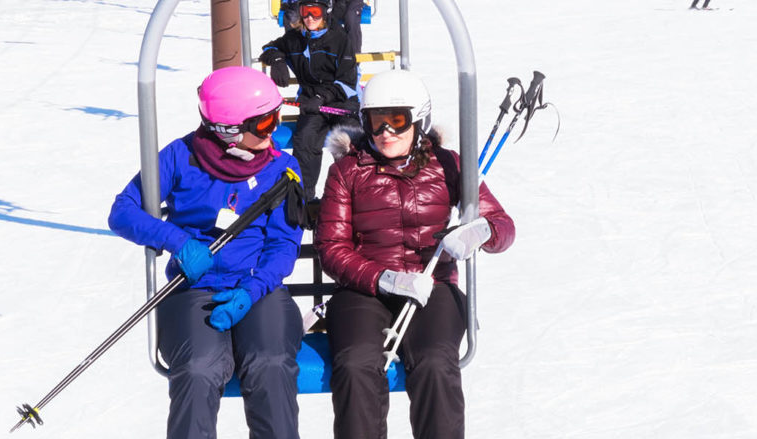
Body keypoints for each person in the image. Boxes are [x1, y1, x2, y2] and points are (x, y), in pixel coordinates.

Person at [315, 69, 516, 439]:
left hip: (432, 287)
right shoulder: (348, 171)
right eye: (376, 122)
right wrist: (384, 278)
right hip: (365, 290)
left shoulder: (448, 165)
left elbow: (503, 225)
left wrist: (481, 232)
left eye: (397, 120)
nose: (386, 132)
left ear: (418, 120)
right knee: (356, 364)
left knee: (435, 364)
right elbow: (331, 248)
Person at [107, 66, 305, 439]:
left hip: (258, 289)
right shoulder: (180, 157)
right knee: (199, 368)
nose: (275, 131)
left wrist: (255, 288)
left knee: (270, 363)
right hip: (194, 288)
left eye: (276, 118)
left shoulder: (282, 168)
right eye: (264, 124)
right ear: (228, 129)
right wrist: (177, 241)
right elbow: (123, 212)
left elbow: (283, 243)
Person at [260, 0, 360, 201]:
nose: (310, 18)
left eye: (315, 12)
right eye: (305, 12)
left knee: (351, 143)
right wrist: (278, 60)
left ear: (324, 12)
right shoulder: (295, 39)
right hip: (313, 106)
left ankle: (355, 194)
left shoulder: (340, 39)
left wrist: (321, 97)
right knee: (305, 139)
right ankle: (304, 200)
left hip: (341, 104)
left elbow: (348, 81)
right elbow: (270, 48)